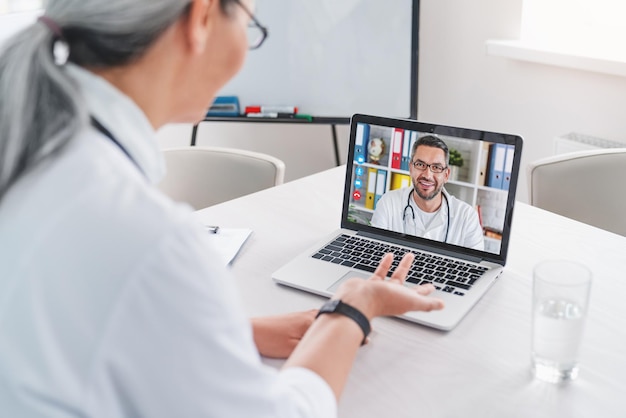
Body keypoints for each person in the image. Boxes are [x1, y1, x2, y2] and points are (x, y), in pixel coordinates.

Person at [0, 1, 445, 417]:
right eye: (251, 27)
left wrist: (229, 333)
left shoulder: (32, 150)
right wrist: (353, 306)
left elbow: (74, 323)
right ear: (202, 18)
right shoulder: (145, 236)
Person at [371, 135, 485, 250]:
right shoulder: (387, 203)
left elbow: (476, 266)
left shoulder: (467, 216)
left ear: (446, 175)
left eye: (436, 167)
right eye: (420, 165)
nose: (427, 175)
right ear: (411, 168)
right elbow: (375, 254)